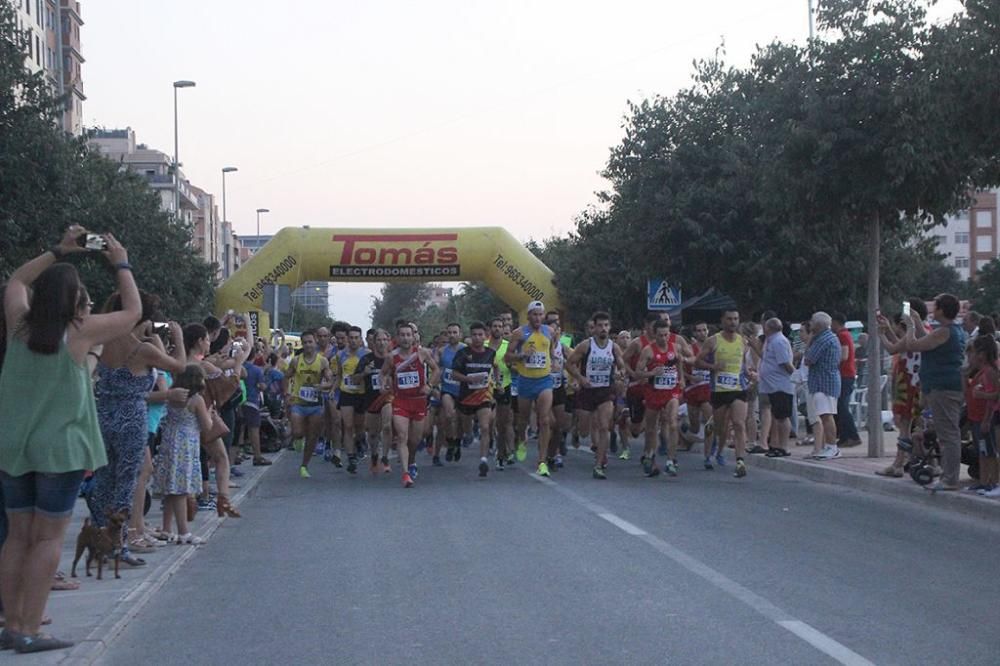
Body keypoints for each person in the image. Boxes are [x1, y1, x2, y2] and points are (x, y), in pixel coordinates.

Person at [0, 228, 139, 653]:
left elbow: (17, 282)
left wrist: (58, 250)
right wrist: (120, 261)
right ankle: (30, 629)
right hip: (60, 452)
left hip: (14, 447)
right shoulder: (79, 332)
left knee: (17, 537)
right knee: (47, 540)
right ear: (76, 300)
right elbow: (132, 311)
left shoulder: (19, 324)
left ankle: (11, 624)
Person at [87, 292, 188, 568]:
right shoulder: (140, 349)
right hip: (132, 419)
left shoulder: (101, 341)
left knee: (104, 482)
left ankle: (98, 544)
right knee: (126, 483)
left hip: (104, 416)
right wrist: (176, 337)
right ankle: (118, 546)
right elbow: (179, 365)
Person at [901, 294, 966, 491]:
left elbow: (913, 344)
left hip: (943, 389)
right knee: (946, 433)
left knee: (948, 435)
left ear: (941, 310)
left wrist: (910, 326)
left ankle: (950, 478)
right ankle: (948, 475)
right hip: (941, 387)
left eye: (935, 306)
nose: (933, 309)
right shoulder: (947, 331)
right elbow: (925, 339)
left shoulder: (945, 332)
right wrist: (917, 321)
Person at [154, 364, 212, 544]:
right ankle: (183, 532)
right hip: (186, 444)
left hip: (170, 440)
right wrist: (209, 413)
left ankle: (166, 527)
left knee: (170, 487)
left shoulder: (172, 395)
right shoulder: (196, 400)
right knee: (181, 487)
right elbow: (207, 426)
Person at [567, 312, 627, 479]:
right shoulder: (586, 346)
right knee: (585, 431)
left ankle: (599, 464)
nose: (603, 329)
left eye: (606, 325)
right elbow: (569, 363)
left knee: (603, 426)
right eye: (600, 325)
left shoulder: (613, 347)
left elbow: (622, 366)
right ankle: (577, 431)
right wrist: (580, 378)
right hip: (587, 391)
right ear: (594, 328)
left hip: (605, 391)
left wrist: (620, 373)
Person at [632, 316, 694, 477]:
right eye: (660, 335)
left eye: (666, 335)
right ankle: (649, 455)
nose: (664, 338)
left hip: (671, 391)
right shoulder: (648, 351)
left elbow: (679, 362)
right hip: (653, 392)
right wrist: (652, 372)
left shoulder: (675, 347)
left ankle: (671, 460)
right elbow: (638, 372)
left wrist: (681, 378)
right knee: (651, 428)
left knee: (673, 423)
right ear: (654, 334)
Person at [505, 301, 560, 477]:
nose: (537, 317)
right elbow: (507, 357)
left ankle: (542, 461)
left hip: (544, 381)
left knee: (544, 420)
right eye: (534, 314)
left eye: (540, 314)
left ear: (543, 316)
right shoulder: (519, 333)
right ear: (528, 316)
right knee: (523, 419)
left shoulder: (549, 332)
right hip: (525, 381)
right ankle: (522, 438)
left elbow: (550, 352)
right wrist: (522, 355)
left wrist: (554, 362)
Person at [382, 323, 440, 487]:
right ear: (398, 338)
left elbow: (436, 370)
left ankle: (412, 460)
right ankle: (406, 473)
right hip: (401, 401)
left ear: (413, 337)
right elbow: (383, 374)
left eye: (409, 335)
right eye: (402, 335)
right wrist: (384, 384)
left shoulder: (422, 353)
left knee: (415, 440)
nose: (406, 338)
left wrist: (429, 385)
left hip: (419, 401)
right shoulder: (391, 357)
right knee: (402, 436)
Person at [695, 310, 751, 477]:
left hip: (738, 389)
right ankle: (715, 447)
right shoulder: (713, 341)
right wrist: (713, 367)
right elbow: (697, 361)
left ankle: (740, 461)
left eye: (736, 319)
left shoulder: (743, 341)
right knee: (720, 428)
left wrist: (749, 373)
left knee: (739, 423)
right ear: (722, 321)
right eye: (729, 319)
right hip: (719, 390)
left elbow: (742, 365)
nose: (733, 322)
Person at [450, 322, 498, 478]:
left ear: (485, 336)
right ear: (470, 337)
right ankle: (465, 436)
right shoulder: (463, 353)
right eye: (474, 335)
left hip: (484, 396)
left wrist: (496, 382)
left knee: (485, 427)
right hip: (466, 397)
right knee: (466, 428)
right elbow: (453, 374)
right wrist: (468, 379)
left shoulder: (491, 353)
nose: (477, 338)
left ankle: (483, 460)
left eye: (480, 335)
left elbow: (495, 366)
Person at [286, 330, 334, 479]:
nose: (308, 345)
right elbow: (286, 377)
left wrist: (323, 386)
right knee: (297, 432)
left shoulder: (322, 361)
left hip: (315, 404)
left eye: (310, 342)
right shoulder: (296, 360)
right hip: (299, 402)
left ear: (315, 343)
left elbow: (330, 380)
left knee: (312, 436)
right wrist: (286, 393)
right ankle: (297, 439)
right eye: (305, 342)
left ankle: (304, 466)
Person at [804, 312, 842, 461]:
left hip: (824, 383)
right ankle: (829, 446)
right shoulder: (828, 337)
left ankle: (832, 447)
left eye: (812, 322)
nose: (810, 325)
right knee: (825, 415)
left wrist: (810, 339)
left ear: (819, 325)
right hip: (824, 382)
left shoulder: (823, 339)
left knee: (826, 416)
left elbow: (809, 359)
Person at [966, 336, 1000, 496]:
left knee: (990, 451)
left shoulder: (990, 372)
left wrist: (987, 418)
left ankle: (993, 482)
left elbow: (994, 396)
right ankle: (984, 480)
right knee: (982, 450)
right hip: (977, 417)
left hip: (985, 417)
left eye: (977, 352)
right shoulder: (982, 371)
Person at [356, 329, 393, 474]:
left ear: (388, 341)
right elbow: (355, 379)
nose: (382, 343)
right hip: (370, 399)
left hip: (387, 397)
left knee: (387, 426)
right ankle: (374, 456)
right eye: (379, 340)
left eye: (384, 340)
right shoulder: (366, 359)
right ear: (374, 342)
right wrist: (364, 372)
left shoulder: (392, 358)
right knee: (372, 433)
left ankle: (385, 458)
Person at [758, 318, 795, 457]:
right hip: (772, 385)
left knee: (783, 416)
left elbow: (785, 363)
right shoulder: (771, 340)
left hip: (781, 385)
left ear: (769, 328)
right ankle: (776, 445)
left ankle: (784, 446)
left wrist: (796, 376)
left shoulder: (779, 341)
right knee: (777, 415)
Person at [336, 326, 368, 474]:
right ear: (347, 339)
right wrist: (332, 389)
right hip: (346, 393)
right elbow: (339, 375)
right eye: (351, 338)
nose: (354, 341)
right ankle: (351, 457)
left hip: (361, 394)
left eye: (357, 338)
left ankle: (361, 440)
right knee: (348, 426)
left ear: (361, 340)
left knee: (360, 428)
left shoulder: (367, 354)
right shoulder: (340, 355)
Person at [438, 322, 469, 462]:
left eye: (454, 332)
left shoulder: (467, 350)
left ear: (460, 334)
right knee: (450, 416)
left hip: (462, 390)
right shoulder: (441, 351)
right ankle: (451, 442)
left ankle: (457, 442)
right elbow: (436, 370)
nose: (452, 335)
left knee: (462, 420)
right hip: (447, 389)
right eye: (449, 332)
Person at [683, 321, 714, 457]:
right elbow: (680, 369)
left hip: (707, 387)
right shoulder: (690, 348)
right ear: (695, 333)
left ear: (708, 331)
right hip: (693, 388)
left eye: (704, 330)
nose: (702, 333)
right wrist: (690, 376)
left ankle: (710, 448)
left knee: (709, 419)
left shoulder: (714, 347)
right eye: (699, 330)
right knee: (694, 426)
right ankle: (684, 431)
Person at [487, 317, 515, 469]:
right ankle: (491, 444)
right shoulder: (483, 346)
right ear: (490, 329)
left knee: (504, 422)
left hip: (504, 386)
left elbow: (515, 366)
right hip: (487, 388)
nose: (497, 329)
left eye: (500, 326)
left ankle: (504, 453)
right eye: (494, 326)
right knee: (490, 420)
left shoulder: (508, 346)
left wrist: (512, 365)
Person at [831, 313, 861, 448]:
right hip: (845, 374)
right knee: (840, 406)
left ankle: (853, 436)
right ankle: (844, 437)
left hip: (845, 374)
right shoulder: (845, 335)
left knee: (842, 406)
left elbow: (844, 355)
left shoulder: (842, 335)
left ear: (836, 323)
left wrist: (831, 363)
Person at [242, 350, 271, 467]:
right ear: (254, 356)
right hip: (252, 401)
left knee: (240, 429)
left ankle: (239, 452)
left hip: (238, 402)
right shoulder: (256, 370)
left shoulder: (238, 366)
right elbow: (262, 386)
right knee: (254, 429)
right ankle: (257, 456)